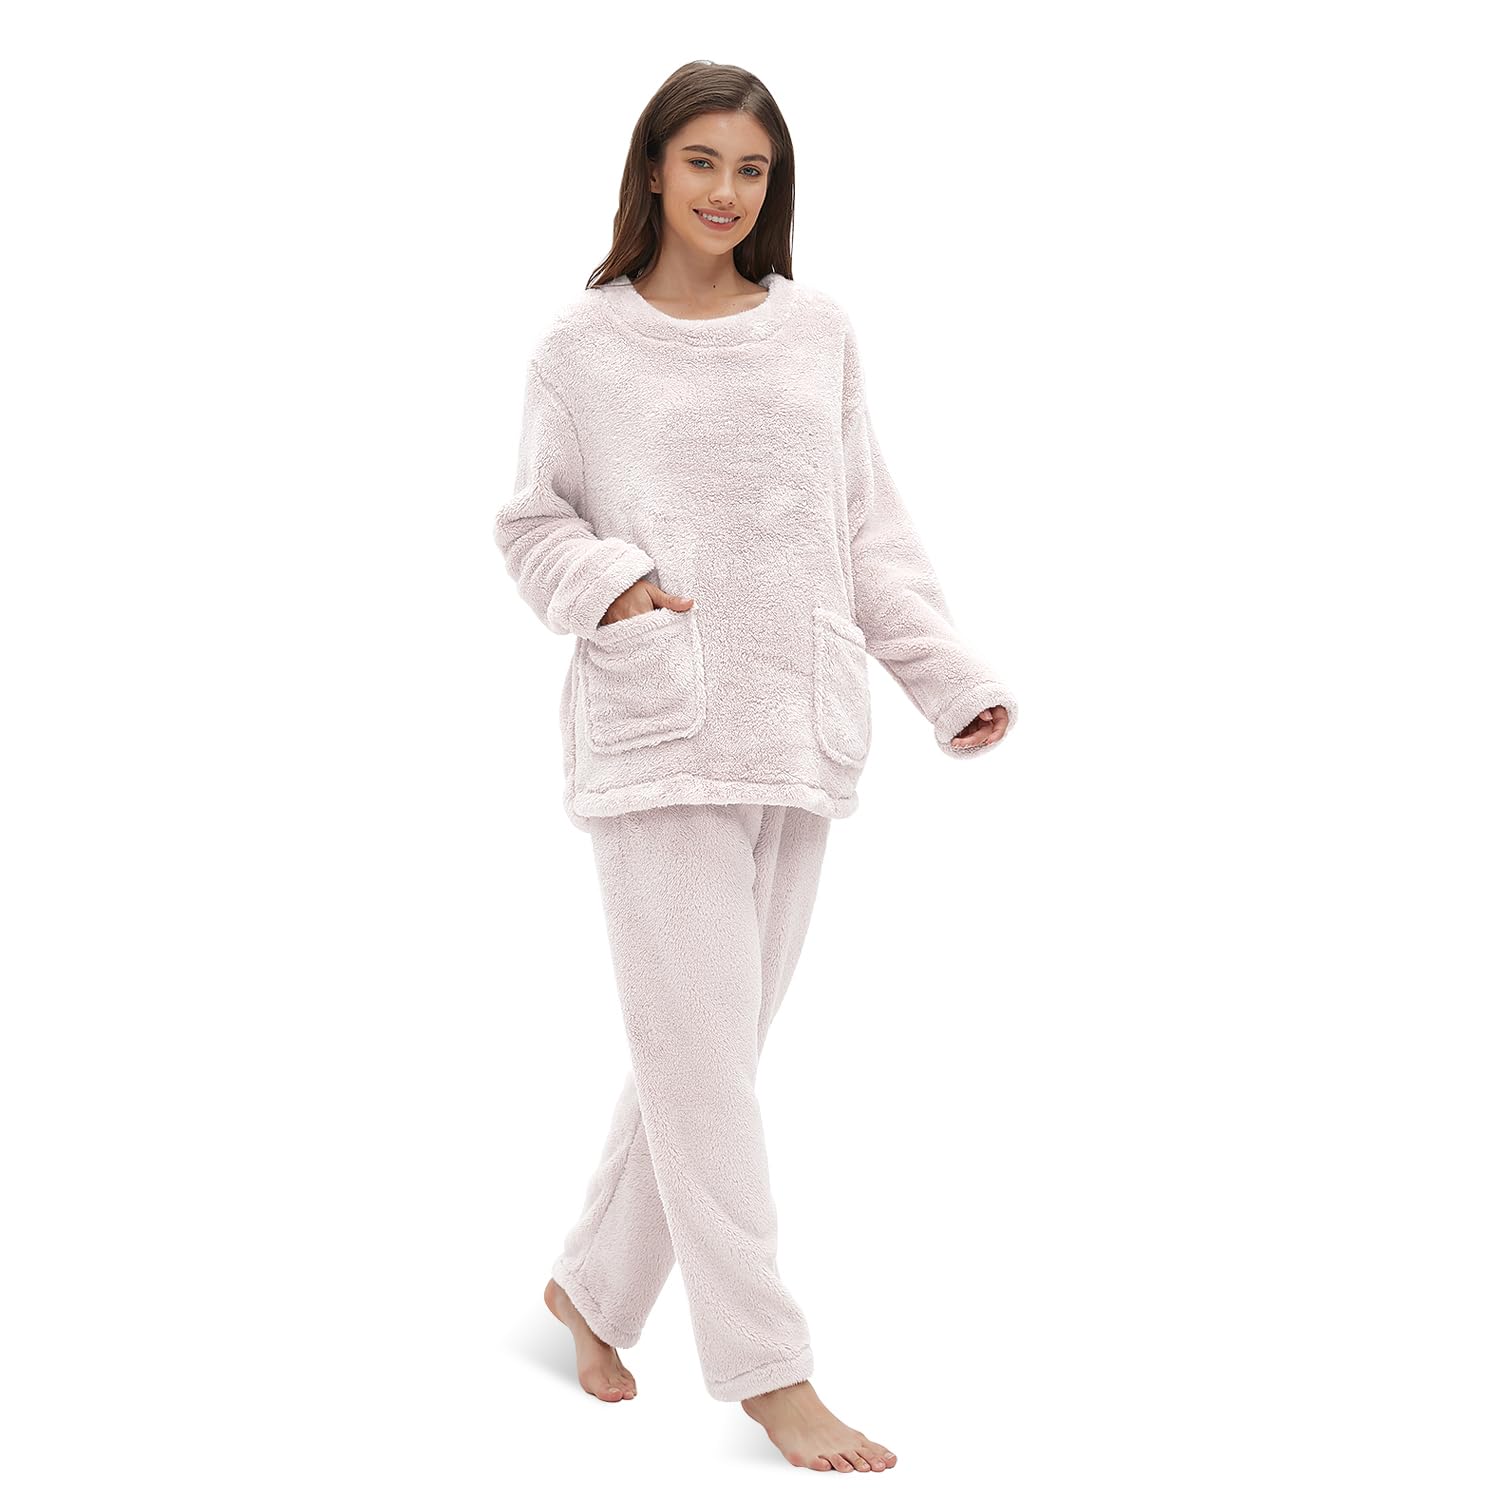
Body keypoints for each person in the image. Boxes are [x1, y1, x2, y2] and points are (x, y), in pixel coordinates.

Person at [493, 60, 1018, 1474]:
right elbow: (533, 523)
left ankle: (590, 1289)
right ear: (652, 169)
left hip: (797, 730)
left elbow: (869, 529)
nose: (727, 192)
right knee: (708, 1077)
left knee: (704, 1062)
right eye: (703, 162)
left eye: (753, 169)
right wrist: (614, 588)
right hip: (660, 733)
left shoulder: (817, 332)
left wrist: (943, 677)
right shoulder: (583, 347)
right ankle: (770, 1372)